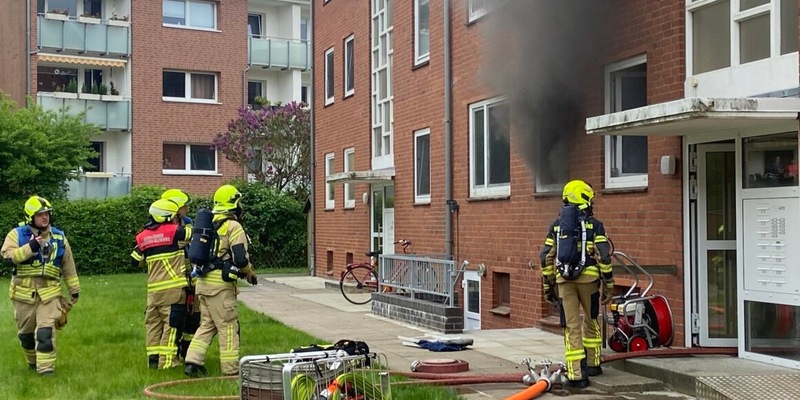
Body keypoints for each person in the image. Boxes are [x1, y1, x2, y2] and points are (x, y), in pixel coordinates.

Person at [539, 180, 613, 388]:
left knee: (571, 327)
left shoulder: (556, 226)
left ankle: (576, 375)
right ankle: (593, 364)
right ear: (584, 198)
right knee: (591, 320)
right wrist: (608, 284)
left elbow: (545, 256)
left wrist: (549, 285)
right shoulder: (595, 225)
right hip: (589, 282)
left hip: (564, 282)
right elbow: (605, 256)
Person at [1, 196, 80, 376]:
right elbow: (7, 256)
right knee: (26, 336)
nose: (45, 217)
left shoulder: (59, 236)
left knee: (45, 333)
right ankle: (32, 362)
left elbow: (68, 265)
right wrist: (30, 247)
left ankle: (46, 371)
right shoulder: (17, 234)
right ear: (31, 217)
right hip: (23, 295)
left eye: (47, 214)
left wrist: (74, 289)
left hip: (50, 294)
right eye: (40, 214)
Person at [185, 184, 257, 377]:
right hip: (221, 288)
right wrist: (248, 272)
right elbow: (240, 258)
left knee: (208, 324)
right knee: (228, 327)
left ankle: (192, 362)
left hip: (202, 283)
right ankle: (231, 370)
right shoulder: (233, 226)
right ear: (234, 203)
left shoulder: (208, 224)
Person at [131, 199, 192, 369]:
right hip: (172, 290)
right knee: (172, 326)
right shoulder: (175, 232)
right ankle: (167, 362)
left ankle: (153, 361)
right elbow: (191, 233)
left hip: (153, 292)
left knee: (153, 326)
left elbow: (135, 260)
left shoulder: (143, 236)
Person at [160, 188, 199, 360]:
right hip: (173, 279)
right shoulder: (164, 229)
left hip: (191, 275)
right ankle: (171, 352)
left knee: (194, 315)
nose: (187, 209)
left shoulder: (187, 221)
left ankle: (187, 349)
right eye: (184, 206)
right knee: (175, 317)